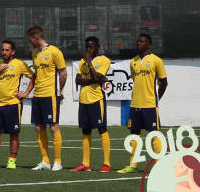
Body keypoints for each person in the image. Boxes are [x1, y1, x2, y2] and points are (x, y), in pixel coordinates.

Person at [118, 33, 168, 174]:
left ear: (148, 44)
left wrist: (157, 98)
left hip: (150, 104)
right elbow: (135, 80)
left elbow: (164, 82)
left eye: (142, 42)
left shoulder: (156, 60)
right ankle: (133, 165)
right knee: (134, 135)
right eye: (137, 42)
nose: (138, 43)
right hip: (135, 104)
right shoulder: (133, 61)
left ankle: (159, 165)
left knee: (154, 134)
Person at [0, 39, 34, 169]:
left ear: (13, 52)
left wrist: (25, 93)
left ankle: (12, 160)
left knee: (14, 133)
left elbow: (34, 76)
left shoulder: (19, 64)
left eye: (7, 50)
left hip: (14, 104)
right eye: (3, 50)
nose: (4, 52)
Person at [27, 25, 67, 171]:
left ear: (36, 37)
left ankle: (58, 161)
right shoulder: (35, 53)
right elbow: (36, 75)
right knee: (38, 127)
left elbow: (63, 73)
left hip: (50, 95)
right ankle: (45, 161)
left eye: (30, 39)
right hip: (37, 94)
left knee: (53, 126)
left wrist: (59, 90)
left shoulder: (55, 51)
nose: (29, 42)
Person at [71, 36, 111, 172]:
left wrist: (89, 64)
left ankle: (106, 164)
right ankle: (85, 164)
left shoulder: (104, 60)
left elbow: (97, 77)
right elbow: (78, 80)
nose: (88, 49)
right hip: (83, 100)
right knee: (85, 132)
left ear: (97, 47)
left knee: (102, 129)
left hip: (96, 99)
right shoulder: (82, 61)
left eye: (91, 47)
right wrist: (95, 79)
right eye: (87, 47)